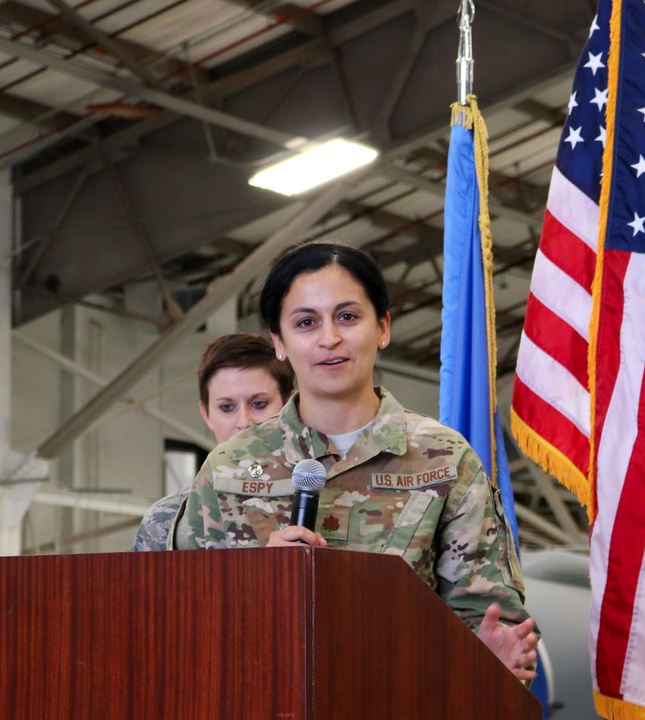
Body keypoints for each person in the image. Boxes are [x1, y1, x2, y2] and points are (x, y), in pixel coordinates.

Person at [173, 241, 538, 679]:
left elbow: (489, 623)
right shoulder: (229, 467)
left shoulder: (444, 459)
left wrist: (490, 659)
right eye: (306, 322)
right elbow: (183, 625)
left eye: (348, 317)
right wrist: (255, 583)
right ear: (279, 343)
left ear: (383, 327)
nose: (329, 338)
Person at [130, 333, 295, 551]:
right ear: (206, 413)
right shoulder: (167, 520)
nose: (244, 422)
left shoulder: (324, 497)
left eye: (259, 404)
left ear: (289, 406)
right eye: (227, 407)